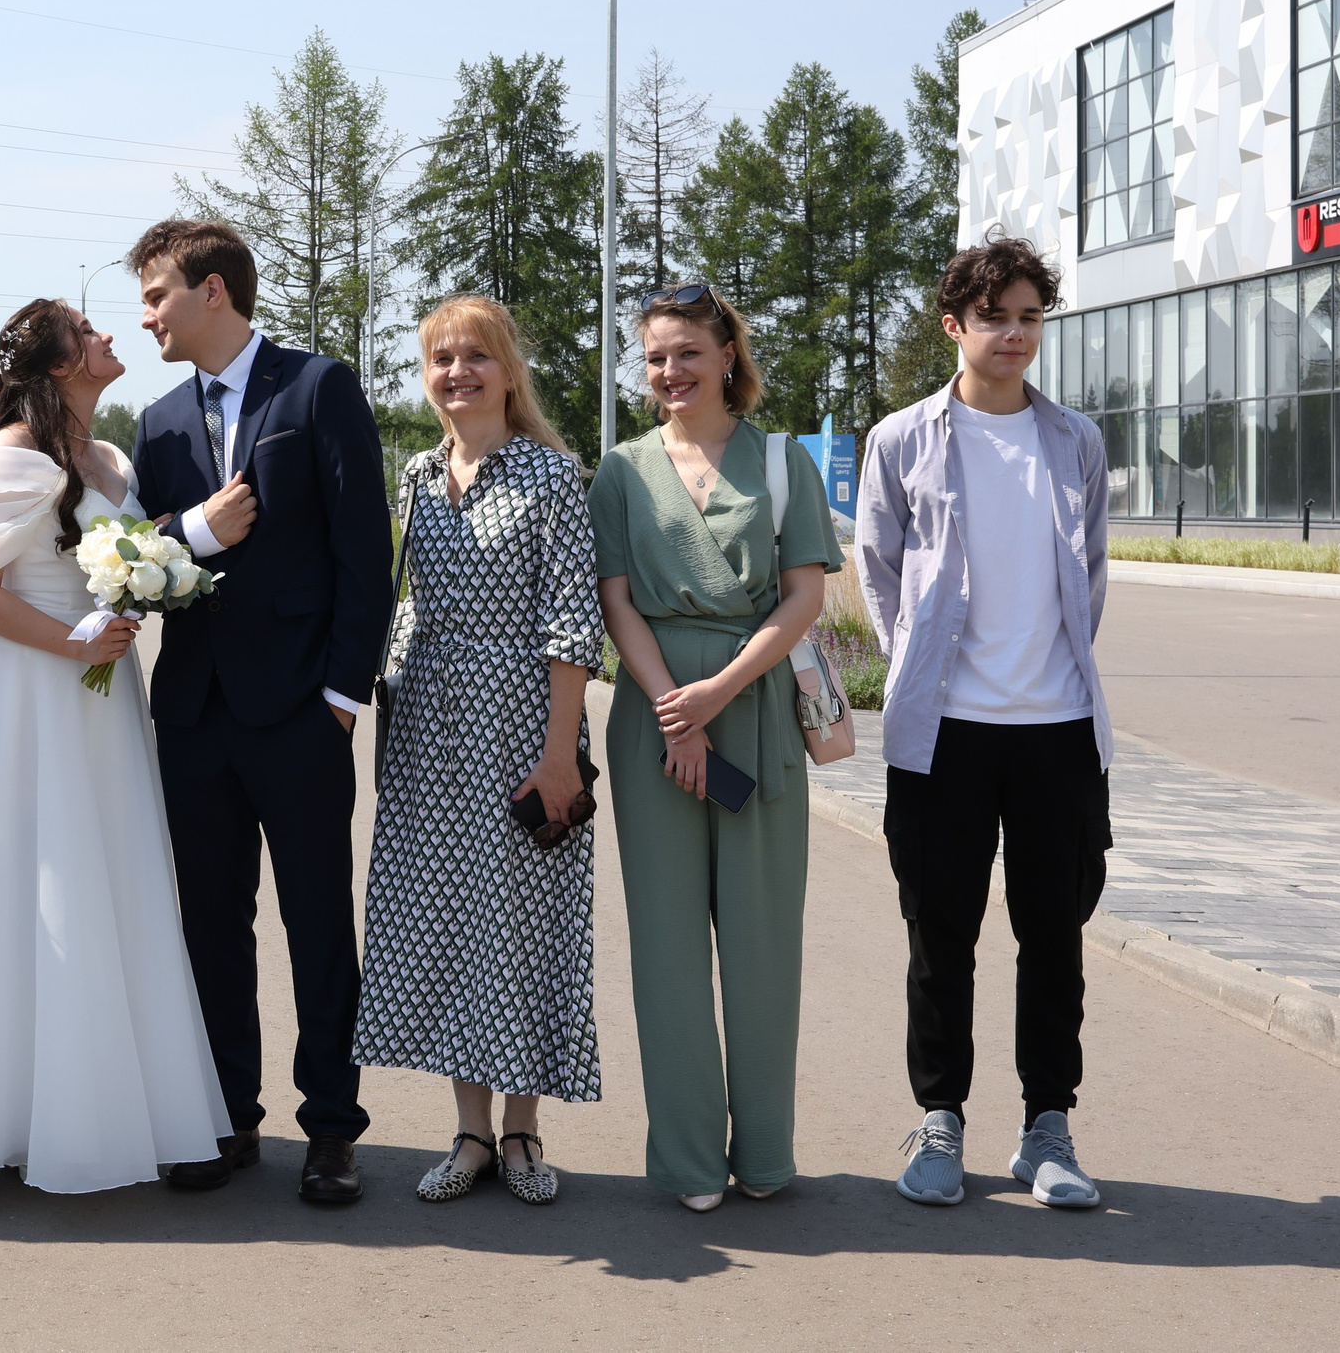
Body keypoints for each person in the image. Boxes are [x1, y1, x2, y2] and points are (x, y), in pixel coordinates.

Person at [0, 299, 228, 1192]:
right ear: (60, 365)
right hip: (29, 687)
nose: (109, 338)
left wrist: (143, 592)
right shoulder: (16, 453)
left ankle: (104, 1103)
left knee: (106, 879)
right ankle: (5, 1108)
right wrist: (69, 642)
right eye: (91, 331)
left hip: (99, 694)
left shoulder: (108, 456)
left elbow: (118, 554)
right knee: (26, 881)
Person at [124, 218, 394, 1205]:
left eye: (156, 294)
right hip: (193, 717)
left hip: (299, 714)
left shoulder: (316, 388)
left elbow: (364, 552)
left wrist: (338, 696)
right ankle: (222, 1115)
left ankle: (331, 1131)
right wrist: (183, 534)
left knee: (319, 923)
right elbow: (139, 564)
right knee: (207, 926)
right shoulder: (153, 423)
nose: (146, 314)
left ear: (211, 292)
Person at [858, 237, 1112, 1212]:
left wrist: (1047, 669)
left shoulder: (1075, 442)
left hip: (1056, 732)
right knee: (940, 938)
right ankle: (941, 1122)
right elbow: (878, 569)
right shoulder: (902, 440)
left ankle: (1046, 1129)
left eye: (1029, 317)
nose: (1013, 334)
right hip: (942, 739)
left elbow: (1084, 578)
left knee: (1054, 937)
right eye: (994, 315)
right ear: (953, 324)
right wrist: (918, 662)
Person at [590, 282, 838, 1213]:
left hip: (757, 708)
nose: (670, 372)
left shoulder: (781, 461)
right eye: (655, 356)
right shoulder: (620, 470)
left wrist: (717, 696)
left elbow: (805, 597)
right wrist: (672, 711)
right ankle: (692, 1160)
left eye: (688, 351)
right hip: (655, 720)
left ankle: (765, 1153)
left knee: (763, 940)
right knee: (665, 948)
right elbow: (617, 598)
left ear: (727, 353)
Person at [354, 297, 603, 1207]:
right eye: (440, 358)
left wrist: (559, 756)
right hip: (428, 726)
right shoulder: (417, 473)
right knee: (449, 921)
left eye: (474, 358)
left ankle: (524, 1130)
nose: (456, 372)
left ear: (507, 371)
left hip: (523, 725)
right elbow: (408, 601)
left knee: (524, 922)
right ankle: (468, 1132)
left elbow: (574, 620)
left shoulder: (550, 475)